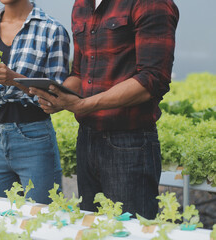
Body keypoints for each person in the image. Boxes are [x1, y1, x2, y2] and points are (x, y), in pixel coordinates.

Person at [30, 0, 179, 218]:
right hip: (87, 139)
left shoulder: (150, 3)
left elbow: (152, 80)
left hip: (129, 143)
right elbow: (79, 74)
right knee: (92, 226)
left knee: (128, 229)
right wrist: (58, 96)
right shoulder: (82, 4)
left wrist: (83, 104)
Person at [0, 0, 70, 204]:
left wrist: (13, 79)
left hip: (33, 137)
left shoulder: (52, 30)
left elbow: (57, 98)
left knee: (42, 217)